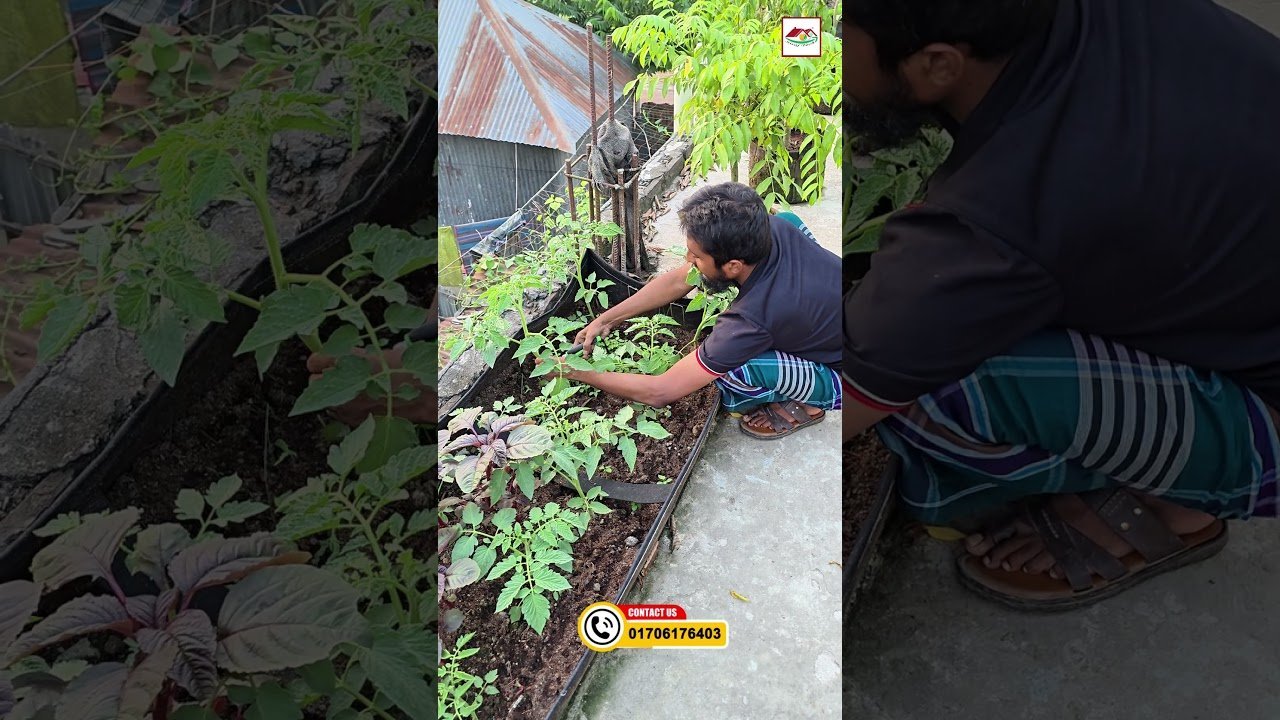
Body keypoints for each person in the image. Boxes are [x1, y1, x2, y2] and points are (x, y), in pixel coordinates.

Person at [843, 0, 1280, 608]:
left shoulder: (998, 212)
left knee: (931, 396)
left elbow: (836, 405)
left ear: (939, 64)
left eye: (830, 35)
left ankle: (1178, 505)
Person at [547, 182, 842, 439]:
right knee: (791, 218)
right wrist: (606, 318)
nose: (688, 259)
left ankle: (811, 405)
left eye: (697, 257)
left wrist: (577, 372)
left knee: (732, 372)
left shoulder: (749, 320)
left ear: (733, 266)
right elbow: (680, 279)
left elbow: (660, 391)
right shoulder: (773, 228)